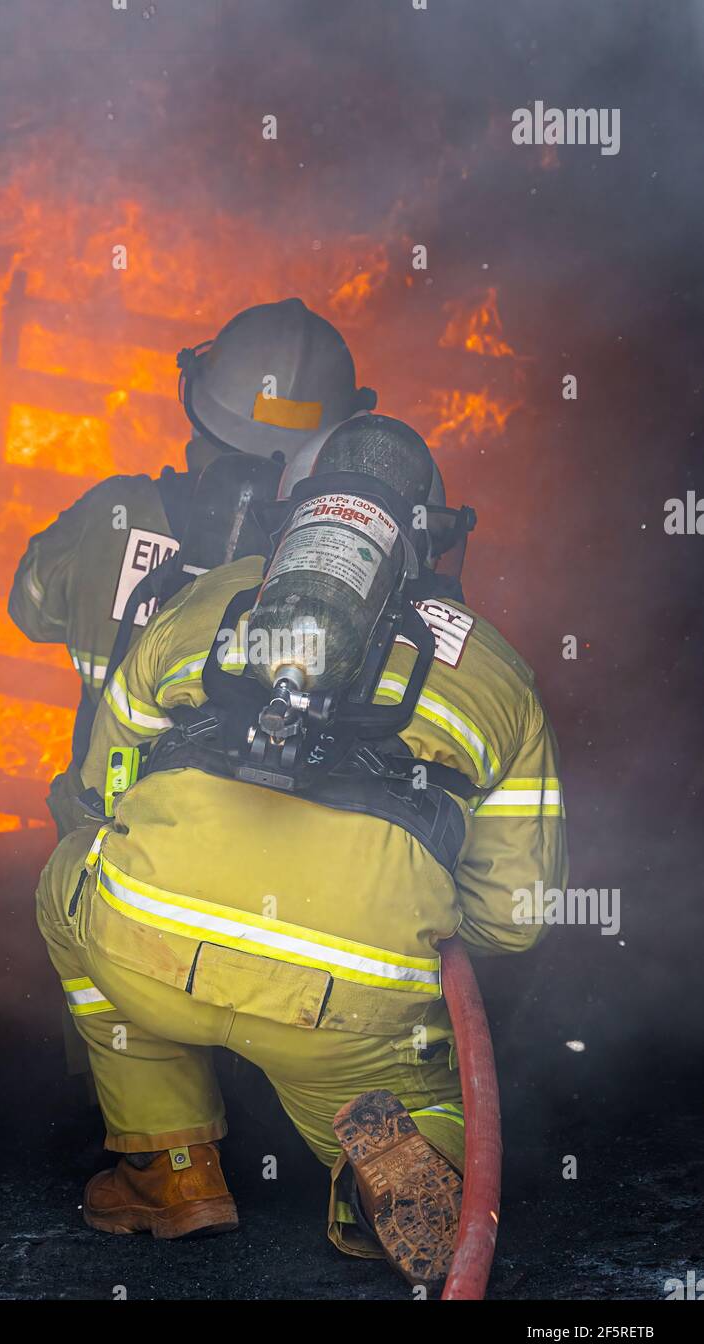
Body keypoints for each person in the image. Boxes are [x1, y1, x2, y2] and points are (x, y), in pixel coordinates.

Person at [35, 413, 568, 1290]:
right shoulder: (497, 672)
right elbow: (515, 921)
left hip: (147, 946)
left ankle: (170, 1171)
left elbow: (101, 791)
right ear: (430, 542)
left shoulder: (213, 598)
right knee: (415, 1091)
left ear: (291, 516)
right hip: (344, 995)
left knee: (69, 883)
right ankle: (380, 1174)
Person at [8, 298, 376, 837]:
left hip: (106, 834)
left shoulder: (112, 515)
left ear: (198, 403)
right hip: (277, 854)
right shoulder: (352, 568)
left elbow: (30, 611)